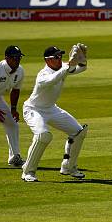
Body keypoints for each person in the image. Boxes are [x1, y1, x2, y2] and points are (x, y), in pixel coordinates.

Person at [21, 44, 89, 182]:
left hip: (51, 108)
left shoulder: (62, 67)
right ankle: (28, 172)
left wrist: (82, 59)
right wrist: (69, 65)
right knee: (43, 136)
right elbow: (54, 79)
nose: (59, 59)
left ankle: (69, 167)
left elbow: (81, 68)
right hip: (34, 109)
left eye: (61, 56)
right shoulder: (43, 75)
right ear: (48, 60)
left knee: (78, 132)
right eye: (56, 57)